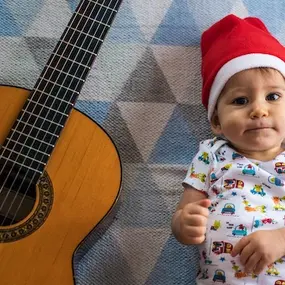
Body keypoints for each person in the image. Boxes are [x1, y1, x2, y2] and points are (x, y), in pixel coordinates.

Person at [171, 14, 285, 284]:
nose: (259, 109)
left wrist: (281, 239)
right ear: (217, 121)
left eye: (273, 96)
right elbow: (185, 211)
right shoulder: (210, 154)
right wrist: (182, 225)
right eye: (241, 100)